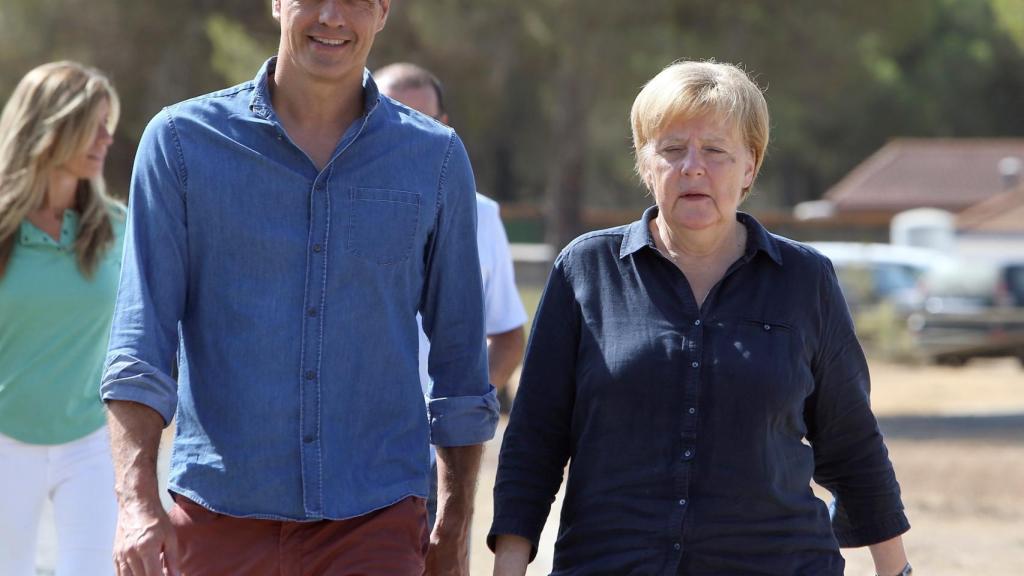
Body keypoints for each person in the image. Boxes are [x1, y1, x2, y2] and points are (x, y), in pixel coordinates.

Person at [100, 1, 497, 575]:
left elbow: (461, 363)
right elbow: (140, 346)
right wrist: (136, 503)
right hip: (218, 518)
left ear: (382, 10)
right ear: (278, 2)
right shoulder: (182, 145)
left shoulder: (434, 160)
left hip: (376, 522)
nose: (333, 17)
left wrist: (454, 527)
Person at [489, 60, 912, 576]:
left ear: (750, 167)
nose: (693, 167)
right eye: (671, 149)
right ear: (645, 165)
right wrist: (508, 566)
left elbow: (852, 444)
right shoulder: (585, 270)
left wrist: (896, 570)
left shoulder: (806, 281)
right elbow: (535, 437)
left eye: (715, 151)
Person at [374, 62, 528, 528]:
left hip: (432, 458)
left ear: (445, 128)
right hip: (351, 453)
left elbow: (508, 336)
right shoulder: (333, 209)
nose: (405, 133)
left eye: (421, 120)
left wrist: (457, 421)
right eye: (390, 115)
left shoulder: (482, 215)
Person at [0, 61, 123, 576]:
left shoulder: (117, 228)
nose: (106, 138)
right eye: (92, 124)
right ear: (48, 125)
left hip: (90, 441)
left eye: (108, 125)